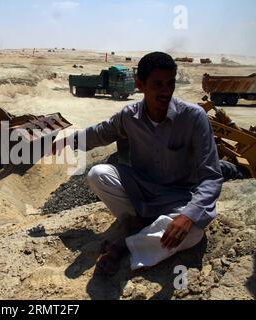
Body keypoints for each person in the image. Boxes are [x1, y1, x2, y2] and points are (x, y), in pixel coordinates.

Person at [56, 52, 223, 275]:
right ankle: (141, 226)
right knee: (97, 174)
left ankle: (124, 245)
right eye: (157, 84)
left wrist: (188, 216)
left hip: (178, 198)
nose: (166, 91)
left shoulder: (193, 118)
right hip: (140, 191)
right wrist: (66, 141)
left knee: (193, 233)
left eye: (170, 83)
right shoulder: (129, 116)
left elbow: (211, 176)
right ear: (140, 85)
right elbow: (100, 133)